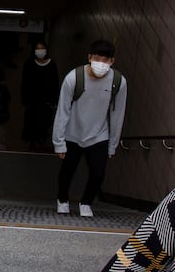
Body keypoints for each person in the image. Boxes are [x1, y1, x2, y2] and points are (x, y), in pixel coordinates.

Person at [52, 39, 127, 217]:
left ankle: (86, 202)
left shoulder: (118, 82)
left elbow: (117, 114)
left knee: (98, 174)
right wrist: (59, 142)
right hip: (73, 133)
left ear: (112, 61)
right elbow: (63, 110)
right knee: (67, 171)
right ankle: (62, 200)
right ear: (89, 57)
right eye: (97, 58)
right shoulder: (74, 77)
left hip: (99, 135)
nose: (101, 63)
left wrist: (113, 144)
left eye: (106, 60)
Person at [20, 39, 59, 151]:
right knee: (31, 122)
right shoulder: (29, 63)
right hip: (32, 101)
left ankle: (41, 139)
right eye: (38, 48)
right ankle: (32, 142)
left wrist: (54, 100)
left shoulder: (52, 64)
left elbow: (55, 83)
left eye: (42, 48)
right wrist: (25, 99)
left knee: (44, 122)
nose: (40, 51)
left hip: (46, 102)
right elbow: (25, 82)